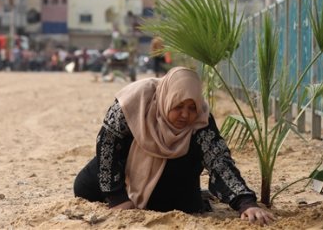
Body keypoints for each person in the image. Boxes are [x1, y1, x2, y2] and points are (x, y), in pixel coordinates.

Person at [74, 67, 275, 226]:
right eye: (178, 107)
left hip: (175, 175)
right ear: (166, 100)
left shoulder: (202, 119)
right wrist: (117, 199)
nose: (186, 115)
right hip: (124, 167)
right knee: (84, 188)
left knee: (186, 207)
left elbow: (219, 161)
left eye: (191, 108)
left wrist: (245, 203)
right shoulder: (132, 101)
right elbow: (107, 146)